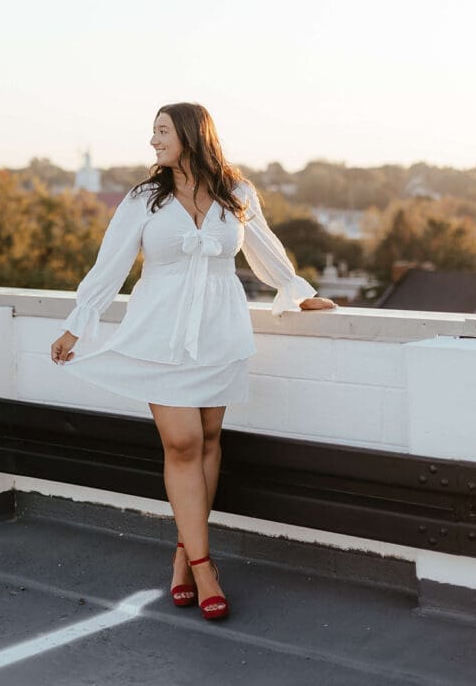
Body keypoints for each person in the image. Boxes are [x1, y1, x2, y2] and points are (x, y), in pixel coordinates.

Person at [50, 102, 336, 620]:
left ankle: (184, 553)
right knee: (180, 442)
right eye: (153, 131)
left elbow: (264, 249)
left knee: (207, 441)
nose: (153, 140)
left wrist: (299, 291)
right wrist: (78, 323)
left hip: (220, 332)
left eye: (162, 131)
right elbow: (109, 263)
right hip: (159, 333)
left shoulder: (238, 193)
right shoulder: (142, 199)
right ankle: (206, 565)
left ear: (189, 134)